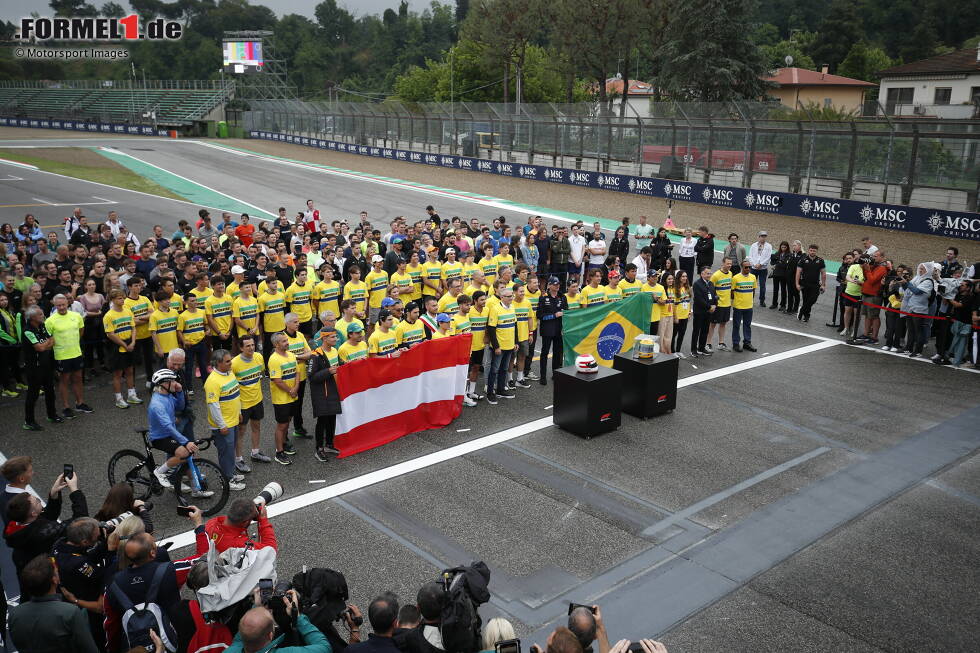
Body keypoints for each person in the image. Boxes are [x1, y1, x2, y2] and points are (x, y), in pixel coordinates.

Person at [104, 533, 180, 652]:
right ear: (152, 553)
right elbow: (203, 561)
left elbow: (111, 624)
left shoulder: (112, 584)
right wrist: (198, 526)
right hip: (174, 639)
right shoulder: (169, 570)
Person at [9, 555, 100, 653]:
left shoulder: (15, 614)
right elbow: (89, 649)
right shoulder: (69, 613)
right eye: (56, 572)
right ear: (55, 580)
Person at [4, 471, 87, 575]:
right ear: (34, 513)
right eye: (37, 501)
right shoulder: (41, 533)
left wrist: (54, 493)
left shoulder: (17, 526)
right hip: (53, 575)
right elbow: (79, 521)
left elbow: (47, 516)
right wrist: (75, 490)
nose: (39, 501)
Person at [225, 589, 329, 653]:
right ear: (271, 635)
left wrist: (256, 608)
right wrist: (297, 616)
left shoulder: (231, 651)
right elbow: (324, 647)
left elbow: (238, 641)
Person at [204, 349, 245, 491]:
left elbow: (235, 394)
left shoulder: (230, 373)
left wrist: (239, 412)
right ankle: (227, 479)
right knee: (225, 452)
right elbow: (213, 406)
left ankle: (231, 473)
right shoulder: (212, 381)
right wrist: (221, 424)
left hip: (232, 421)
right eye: (227, 361)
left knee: (231, 449)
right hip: (223, 425)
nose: (231, 363)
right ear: (218, 363)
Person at [232, 334, 273, 471]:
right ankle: (238, 459)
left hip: (257, 399)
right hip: (242, 404)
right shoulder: (234, 364)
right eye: (248, 346)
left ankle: (255, 452)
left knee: (256, 426)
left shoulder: (259, 357)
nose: (251, 348)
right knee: (241, 431)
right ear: (241, 348)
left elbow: (259, 375)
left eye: (253, 345)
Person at [21, 304, 61, 430]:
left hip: (46, 366)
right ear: (32, 317)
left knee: (50, 391)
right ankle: (29, 422)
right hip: (34, 368)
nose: (43, 315)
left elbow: (53, 340)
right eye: (40, 314)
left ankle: (52, 415)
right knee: (33, 395)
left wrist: (45, 344)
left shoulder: (42, 326)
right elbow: (39, 347)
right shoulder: (27, 330)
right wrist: (45, 344)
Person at [103, 288, 141, 409]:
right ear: (113, 300)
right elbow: (110, 334)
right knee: (118, 374)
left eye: (123, 297)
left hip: (130, 343)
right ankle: (119, 398)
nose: (122, 300)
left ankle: (131, 394)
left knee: (130, 371)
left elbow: (133, 327)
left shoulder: (128, 311)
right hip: (117, 346)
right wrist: (125, 345)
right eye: (119, 298)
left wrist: (133, 342)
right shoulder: (108, 315)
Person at [309, 327, 343, 462]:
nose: (336, 339)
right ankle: (319, 449)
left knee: (332, 419)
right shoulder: (315, 355)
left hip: (334, 391)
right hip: (322, 394)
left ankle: (329, 444)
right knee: (322, 421)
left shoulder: (335, 351)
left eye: (336, 337)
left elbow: (340, 366)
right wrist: (328, 371)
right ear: (324, 339)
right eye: (333, 337)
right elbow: (311, 377)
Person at [267, 332, 299, 465]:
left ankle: (284, 443)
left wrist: (296, 387)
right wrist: (291, 390)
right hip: (281, 398)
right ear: (276, 344)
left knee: (288, 420)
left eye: (287, 340)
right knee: (282, 424)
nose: (287, 343)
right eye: (284, 341)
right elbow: (277, 380)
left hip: (292, 396)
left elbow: (297, 372)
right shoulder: (274, 359)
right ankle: (279, 452)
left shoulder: (291, 355)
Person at [205, 498, 277, 553]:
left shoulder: (211, 523)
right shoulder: (238, 545)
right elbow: (270, 551)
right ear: (245, 522)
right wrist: (263, 520)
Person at [486, 285, 517, 404]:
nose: (511, 298)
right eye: (509, 296)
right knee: (494, 370)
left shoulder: (512, 307)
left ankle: (500, 390)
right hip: (500, 347)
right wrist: (496, 346)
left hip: (510, 345)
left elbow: (514, 325)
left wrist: (516, 342)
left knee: (504, 369)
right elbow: (491, 329)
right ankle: (490, 393)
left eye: (512, 296)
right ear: (502, 297)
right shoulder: (495, 309)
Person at [537, 276, 567, 385]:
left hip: (559, 330)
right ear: (549, 285)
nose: (557, 286)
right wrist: (554, 315)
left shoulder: (563, 297)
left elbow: (566, 314)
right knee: (544, 353)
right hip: (547, 330)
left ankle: (555, 374)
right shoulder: (543, 298)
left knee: (557, 353)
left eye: (558, 284)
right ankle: (543, 376)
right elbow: (540, 315)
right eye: (555, 284)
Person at [731, 260, 759, 352]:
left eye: (749, 267)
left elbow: (753, 290)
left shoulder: (753, 277)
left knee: (747, 325)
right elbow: (732, 292)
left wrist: (750, 301)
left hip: (748, 306)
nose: (748, 269)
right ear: (742, 268)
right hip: (738, 306)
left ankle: (747, 342)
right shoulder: (735, 278)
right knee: (736, 325)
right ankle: (736, 343)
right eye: (746, 267)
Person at [707, 258, 733, 352]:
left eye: (730, 264)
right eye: (728, 263)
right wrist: (713, 303)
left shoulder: (730, 274)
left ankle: (721, 343)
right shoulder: (716, 275)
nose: (729, 265)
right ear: (723, 263)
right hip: (718, 305)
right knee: (712, 324)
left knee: (723, 323)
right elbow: (710, 290)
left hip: (727, 304)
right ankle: (708, 344)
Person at [795, 244, 826, 322]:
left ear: (816, 251)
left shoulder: (820, 261)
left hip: (815, 284)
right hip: (804, 283)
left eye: (814, 251)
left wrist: (823, 285)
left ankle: (801, 310)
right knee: (806, 300)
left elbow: (823, 274)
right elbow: (798, 273)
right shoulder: (803, 260)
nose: (812, 252)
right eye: (811, 250)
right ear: (808, 250)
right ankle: (806, 316)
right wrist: (797, 284)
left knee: (813, 299)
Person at [690, 267, 716, 357]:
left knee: (705, 330)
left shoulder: (711, 284)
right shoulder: (697, 284)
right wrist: (709, 306)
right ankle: (693, 350)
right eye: (707, 273)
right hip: (699, 311)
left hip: (708, 312)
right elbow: (698, 299)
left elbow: (714, 296)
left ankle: (701, 348)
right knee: (696, 331)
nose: (709, 275)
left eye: (710, 273)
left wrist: (715, 305)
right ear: (702, 274)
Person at [747, 231, 772, 307]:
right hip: (753, 268)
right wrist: (754, 264)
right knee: (751, 285)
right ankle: (750, 300)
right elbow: (750, 256)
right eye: (762, 236)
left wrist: (761, 264)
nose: (763, 238)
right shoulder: (753, 245)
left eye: (764, 236)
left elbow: (768, 257)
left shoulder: (769, 246)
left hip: (763, 269)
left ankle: (762, 300)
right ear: (758, 237)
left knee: (762, 285)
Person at [769, 241, 791, 311]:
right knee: (775, 289)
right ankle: (774, 303)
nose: (783, 248)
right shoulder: (777, 253)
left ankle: (783, 305)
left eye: (784, 247)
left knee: (783, 290)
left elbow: (785, 265)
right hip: (776, 274)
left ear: (787, 247)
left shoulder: (789, 255)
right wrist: (774, 261)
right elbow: (772, 262)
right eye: (782, 247)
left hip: (784, 275)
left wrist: (777, 262)